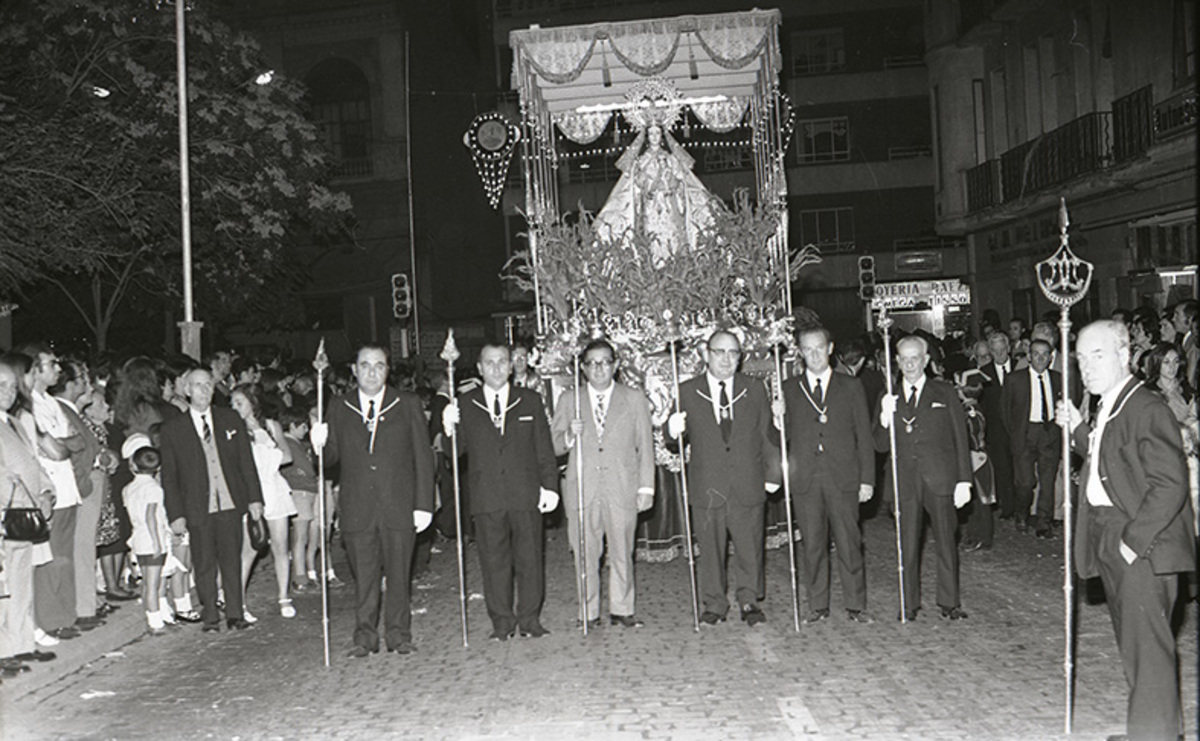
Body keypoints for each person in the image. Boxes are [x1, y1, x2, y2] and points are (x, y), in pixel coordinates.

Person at [1057, 320, 1195, 741]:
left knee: (1149, 654)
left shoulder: (1145, 407)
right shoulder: (1114, 402)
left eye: (1097, 355)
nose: (1087, 367)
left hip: (1142, 545)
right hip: (1114, 537)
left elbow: (1169, 485)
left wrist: (1132, 544)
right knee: (1139, 651)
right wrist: (1080, 430)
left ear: (1124, 355)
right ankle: (1153, 730)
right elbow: (1109, 458)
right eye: (1081, 359)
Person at [310, 345, 434, 657]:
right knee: (364, 578)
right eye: (365, 365)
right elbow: (331, 458)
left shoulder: (406, 404)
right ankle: (364, 637)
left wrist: (424, 504)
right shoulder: (339, 406)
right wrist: (319, 445)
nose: (372, 372)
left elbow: (423, 456)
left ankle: (399, 635)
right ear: (354, 369)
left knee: (398, 575)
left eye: (379, 365)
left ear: (387, 370)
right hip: (358, 507)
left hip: (398, 504)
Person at [442, 343, 559, 641]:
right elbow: (456, 454)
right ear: (479, 369)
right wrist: (448, 429)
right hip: (487, 495)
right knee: (494, 562)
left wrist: (550, 487)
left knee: (530, 559)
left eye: (502, 362)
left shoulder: (529, 400)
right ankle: (502, 622)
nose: (496, 368)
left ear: (511, 366)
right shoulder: (466, 404)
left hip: (525, 492)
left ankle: (530, 619)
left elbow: (543, 448)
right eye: (489, 363)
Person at [667, 330, 780, 627]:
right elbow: (671, 442)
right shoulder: (688, 390)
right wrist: (672, 430)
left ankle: (749, 600)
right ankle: (715, 603)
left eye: (733, 353)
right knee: (711, 549)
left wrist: (773, 473)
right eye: (720, 352)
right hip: (708, 484)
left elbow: (766, 433)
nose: (727, 359)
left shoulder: (754, 389)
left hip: (747, 480)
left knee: (749, 546)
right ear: (706, 354)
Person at [550, 339, 655, 628]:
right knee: (585, 551)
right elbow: (554, 445)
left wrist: (646, 487)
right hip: (583, 488)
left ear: (616, 365)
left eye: (605, 362)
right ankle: (588, 611)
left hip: (622, 486)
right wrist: (570, 436)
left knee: (622, 549)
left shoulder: (634, 399)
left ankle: (622, 608)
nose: (599, 368)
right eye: (592, 363)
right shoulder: (569, 400)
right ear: (583, 368)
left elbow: (645, 446)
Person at [781, 327, 875, 624]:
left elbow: (864, 435)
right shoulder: (789, 389)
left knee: (849, 541)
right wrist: (775, 417)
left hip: (843, 477)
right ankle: (818, 604)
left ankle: (855, 604)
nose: (814, 354)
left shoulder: (850, 386)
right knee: (813, 544)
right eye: (807, 350)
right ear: (799, 352)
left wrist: (867, 479)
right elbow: (779, 437)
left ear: (830, 347)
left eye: (819, 348)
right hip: (806, 478)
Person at [876, 334, 972, 621]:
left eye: (915, 358)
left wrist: (964, 480)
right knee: (906, 545)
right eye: (903, 359)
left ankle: (949, 602)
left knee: (946, 541)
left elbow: (960, 438)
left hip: (940, 479)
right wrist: (884, 418)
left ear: (926, 360)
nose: (909, 365)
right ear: (897, 361)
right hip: (905, 480)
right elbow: (880, 445)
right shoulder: (889, 396)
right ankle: (908, 603)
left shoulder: (944, 392)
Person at [160, 369, 264, 633]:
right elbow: (170, 477)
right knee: (204, 562)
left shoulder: (230, 419)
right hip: (197, 506)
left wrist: (254, 498)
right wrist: (176, 514)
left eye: (208, 385)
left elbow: (246, 463)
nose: (204, 391)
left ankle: (235, 612)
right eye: (197, 386)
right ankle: (209, 615)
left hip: (229, 502)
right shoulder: (173, 429)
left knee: (232, 560)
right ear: (187, 390)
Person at [593, 121, 724, 265]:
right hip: (650, 207)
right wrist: (648, 180)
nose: (654, 137)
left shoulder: (671, 159)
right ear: (647, 137)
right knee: (652, 240)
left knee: (673, 238)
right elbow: (637, 183)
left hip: (669, 205)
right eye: (651, 134)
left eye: (657, 133)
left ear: (662, 136)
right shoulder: (642, 160)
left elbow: (680, 181)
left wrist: (669, 178)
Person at [21, 344, 83, 642]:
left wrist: (62, 442)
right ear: (35, 368)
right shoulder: (29, 405)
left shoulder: (52, 402)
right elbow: (57, 450)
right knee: (50, 560)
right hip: (52, 490)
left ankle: (65, 614)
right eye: (51, 363)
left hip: (68, 489)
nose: (58, 368)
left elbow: (76, 441)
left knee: (65, 557)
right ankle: (50, 619)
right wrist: (62, 443)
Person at [0, 356, 57, 674]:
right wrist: (26, 499)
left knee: (22, 582)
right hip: (8, 513)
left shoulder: (14, 422)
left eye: (11, 385)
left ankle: (22, 643)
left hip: (26, 511)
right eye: (1, 386)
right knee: (4, 586)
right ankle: (4, 648)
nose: (8, 392)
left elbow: (33, 464)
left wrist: (47, 492)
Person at [230, 383, 297, 620]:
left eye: (239, 402)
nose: (234, 407)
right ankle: (239, 603)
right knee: (249, 549)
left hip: (274, 489)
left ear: (252, 402)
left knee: (281, 546)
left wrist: (268, 454)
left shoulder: (271, 426)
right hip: (251, 492)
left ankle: (284, 597)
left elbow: (287, 456)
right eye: (232, 403)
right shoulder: (233, 429)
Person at [49, 359, 105, 632]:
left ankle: (86, 603)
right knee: (79, 549)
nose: (87, 384)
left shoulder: (72, 413)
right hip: (80, 489)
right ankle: (83, 608)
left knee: (84, 549)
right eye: (82, 379)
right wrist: (85, 484)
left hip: (85, 486)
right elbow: (74, 453)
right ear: (70, 385)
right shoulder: (62, 411)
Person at [1001, 338, 1063, 538]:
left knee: (1048, 481)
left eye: (1045, 354)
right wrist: (1017, 434)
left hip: (1050, 434)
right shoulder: (1014, 379)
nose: (1040, 358)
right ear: (1028, 356)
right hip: (1025, 434)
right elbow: (1005, 411)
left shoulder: (1058, 378)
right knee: (1026, 482)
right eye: (1036, 353)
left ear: (1050, 357)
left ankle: (1044, 522)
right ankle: (1022, 513)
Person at [120, 441, 176, 635]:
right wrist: (157, 543)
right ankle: (155, 623)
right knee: (154, 584)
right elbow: (150, 516)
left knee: (147, 582)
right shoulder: (154, 489)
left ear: (133, 465)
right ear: (158, 467)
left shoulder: (127, 489)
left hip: (137, 539)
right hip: (152, 539)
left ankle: (157, 616)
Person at [279, 405, 319, 593]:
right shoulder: (291, 445)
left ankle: (301, 576)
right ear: (293, 425)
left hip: (304, 492)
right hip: (300, 492)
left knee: (301, 537)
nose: (306, 430)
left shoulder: (293, 444)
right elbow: (310, 469)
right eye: (303, 426)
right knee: (300, 537)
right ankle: (300, 578)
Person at [980, 332, 1019, 524]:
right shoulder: (983, 373)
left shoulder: (1021, 369)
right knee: (1003, 469)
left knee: (1021, 469)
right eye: (994, 351)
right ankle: (1008, 508)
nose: (1000, 354)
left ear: (1009, 348)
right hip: (996, 431)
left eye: (1002, 349)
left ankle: (1022, 507)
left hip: (1019, 428)